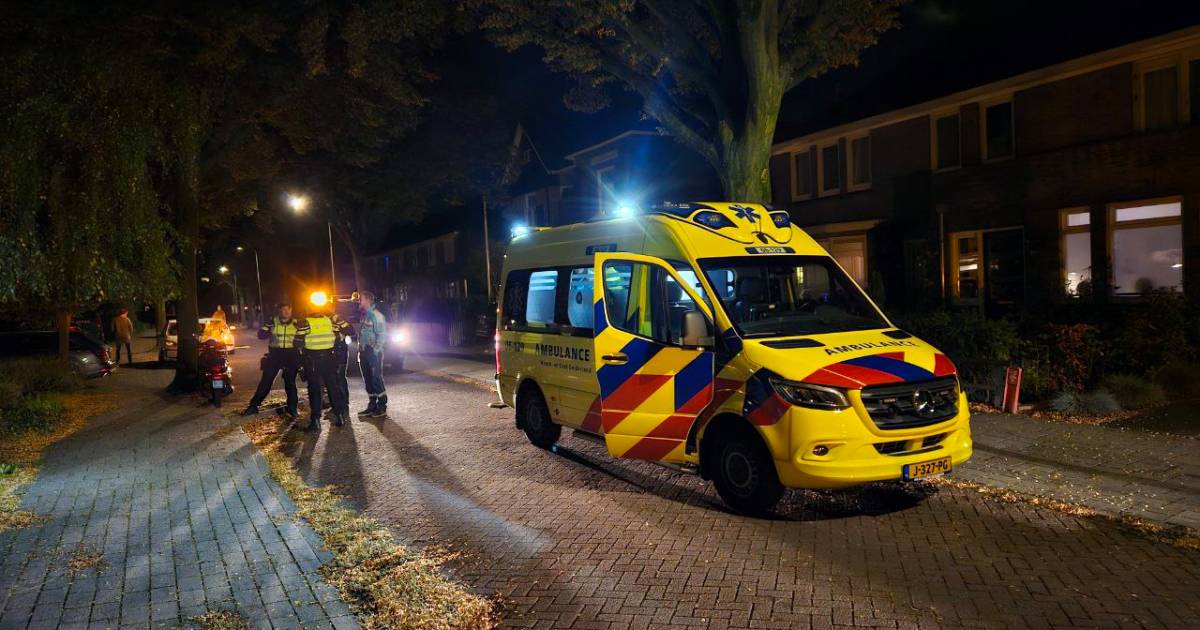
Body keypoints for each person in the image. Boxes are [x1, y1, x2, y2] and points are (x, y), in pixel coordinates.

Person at [297, 302, 352, 431]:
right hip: (329, 357)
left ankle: (315, 421)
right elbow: (348, 330)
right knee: (333, 387)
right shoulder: (330, 320)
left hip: (312, 360)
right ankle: (339, 416)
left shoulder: (305, 322)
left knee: (315, 389)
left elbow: (297, 342)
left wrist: (301, 359)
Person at [242, 303, 302, 418]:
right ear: (279, 311)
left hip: (291, 355)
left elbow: (303, 338)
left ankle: (292, 408)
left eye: (288, 309)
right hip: (275, 355)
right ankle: (253, 406)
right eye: (283, 309)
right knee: (266, 382)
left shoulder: (297, 323)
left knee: (290, 383)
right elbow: (261, 336)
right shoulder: (272, 322)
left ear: (291, 310)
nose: (285, 312)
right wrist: (266, 327)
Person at [356, 291, 389, 418]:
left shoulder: (377, 316)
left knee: (376, 379)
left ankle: (382, 407)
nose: (360, 302)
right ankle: (372, 406)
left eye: (361, 300)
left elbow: (382, 335)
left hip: (373, 352)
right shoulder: (365, 316)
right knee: (368, 380)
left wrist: (375, 350)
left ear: (368, 301)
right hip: (364, 351)